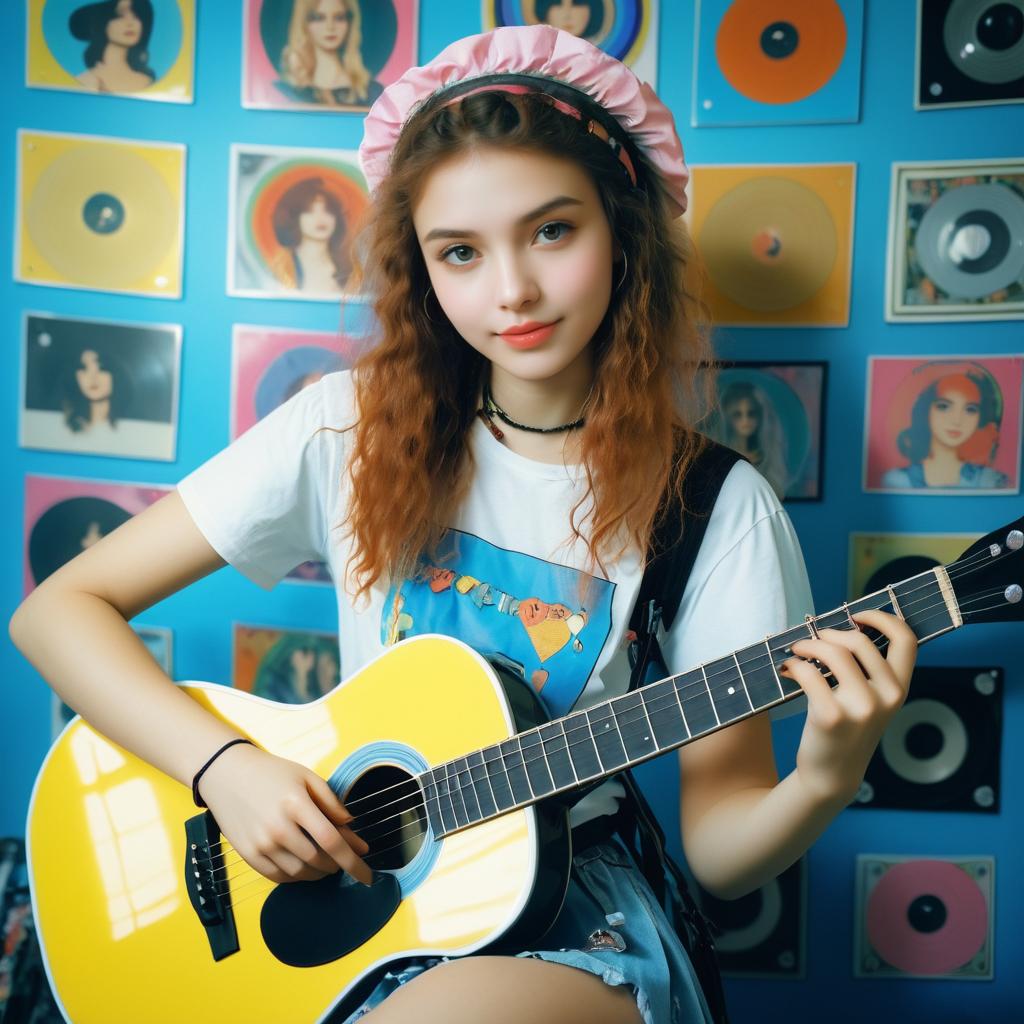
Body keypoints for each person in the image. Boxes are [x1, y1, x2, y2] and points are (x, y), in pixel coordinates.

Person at [10, 25, 918, 1024]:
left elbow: (719, 849)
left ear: (622, 231)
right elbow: (58, 613)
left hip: (571, 911)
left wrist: (826, 772)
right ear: (422, 270)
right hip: (361, 890)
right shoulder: (345, 427)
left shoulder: (713, 507)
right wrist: (225, 769)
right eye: (459, 252)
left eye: (552, 231)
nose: (511, 291)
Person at [881, 364, 1009, 489]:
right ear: (925, 410)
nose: (957, 420)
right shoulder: (896, 481)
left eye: (970, 409)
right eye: (943, 406)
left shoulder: (990, 481)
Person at [276, 0, 384, 109]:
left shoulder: (372, 91)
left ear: (350, 23)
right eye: (319, 18)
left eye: (339, 18)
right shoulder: (284, 90)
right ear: (304, 24)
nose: (330, 27)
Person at [269, 177, 354, 294]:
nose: (320, 218)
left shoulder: (348, 265)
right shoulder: (283, 264)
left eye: (328, 210)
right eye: (309, 211)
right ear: (295, 218)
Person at [711, 379, 789, 500]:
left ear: (760, 416)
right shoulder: (719, 456)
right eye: (738, 414)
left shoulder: (770, 458)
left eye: (751, 413)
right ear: (728, 418)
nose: (745, 420)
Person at [70, 0, 157, 94]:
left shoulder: (147, 81)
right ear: (101, 22)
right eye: (119, 16)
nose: (130, 23)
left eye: (137, 16)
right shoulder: (87, 79)